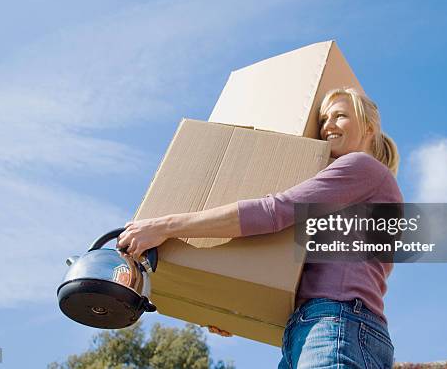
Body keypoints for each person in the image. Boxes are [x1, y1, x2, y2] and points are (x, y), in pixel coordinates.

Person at [117, 87, 402, 368]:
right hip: (318, 328)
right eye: (324, 119)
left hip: (339, 325)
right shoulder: (355, 193)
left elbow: (273, 212)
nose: (327, 126)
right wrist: (238, 311)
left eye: (339, 116)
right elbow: (294, 276)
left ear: (368, 127)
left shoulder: (362, 167)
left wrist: (166, 226)